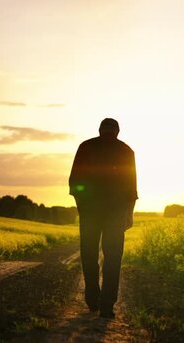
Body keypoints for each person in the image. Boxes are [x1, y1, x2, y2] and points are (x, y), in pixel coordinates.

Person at [69, 118, 137, 319]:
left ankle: (92, 299)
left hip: (91, 211)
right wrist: (129, 213)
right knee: (113, 258)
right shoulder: (126, 151)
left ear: (100, 130)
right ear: (118, 131)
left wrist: (83, 204)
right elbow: (131, 189)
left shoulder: (86, 146)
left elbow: (75, 183)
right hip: (115, 213)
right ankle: (107, 305)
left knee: (89, 254)